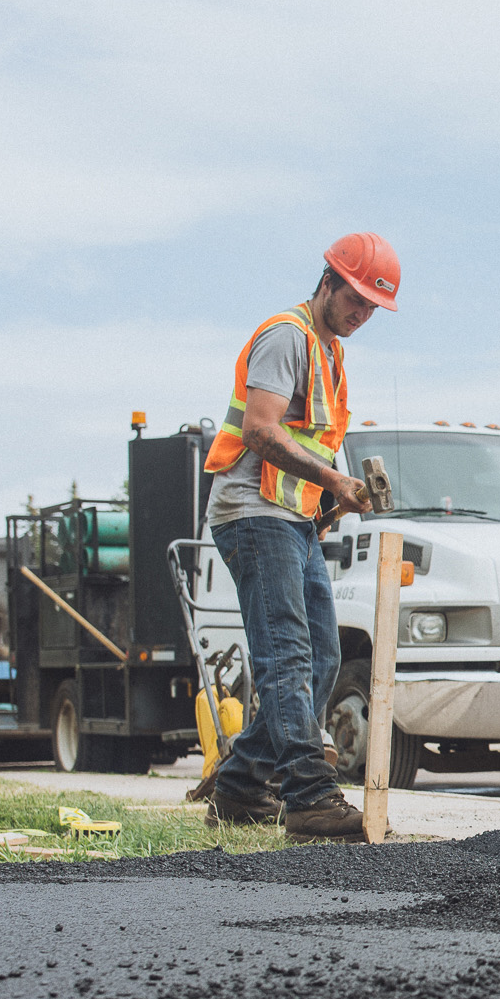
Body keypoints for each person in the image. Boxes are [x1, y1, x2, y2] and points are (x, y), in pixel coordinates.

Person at [201, 233, 400, 841]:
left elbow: (303, 446)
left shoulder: (330, 354)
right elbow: (260, 433)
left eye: (372, 307)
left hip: (290, 520)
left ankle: (237, 787)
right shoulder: (285, 336)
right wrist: (335, 478)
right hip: (252, 513)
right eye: (357, 299)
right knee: (286, 652)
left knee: (324, 654)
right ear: (329, 280)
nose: (361, 314)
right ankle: (310, 796)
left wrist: (334, 499)